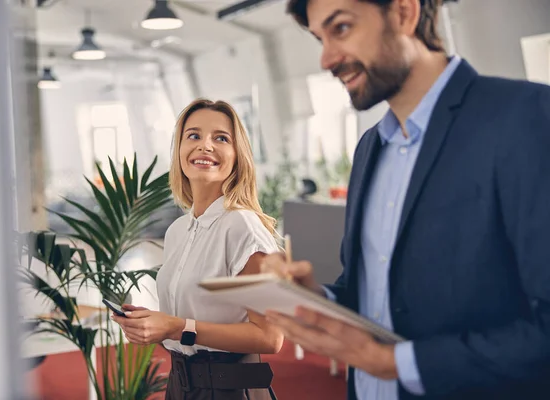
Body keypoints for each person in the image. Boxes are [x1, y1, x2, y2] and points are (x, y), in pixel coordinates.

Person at [261, 0, 550, 399]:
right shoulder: (369, 149)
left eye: (341, 28)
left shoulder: (525, 116)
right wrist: (317, 297)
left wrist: (393, 363)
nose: (327, 58)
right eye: (319, 38)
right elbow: (377, 294)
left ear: (403, 13)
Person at [112, 98, 283, 400]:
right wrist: (155, 325)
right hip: (181, 386)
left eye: (221, 138)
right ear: (179, 150)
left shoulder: (242, 226)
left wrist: (177, 327)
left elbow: (270, 337)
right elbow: (188, 324)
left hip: (230, 389)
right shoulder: (178, 230)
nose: (205, 145)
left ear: (237, 155)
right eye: (193, 135)